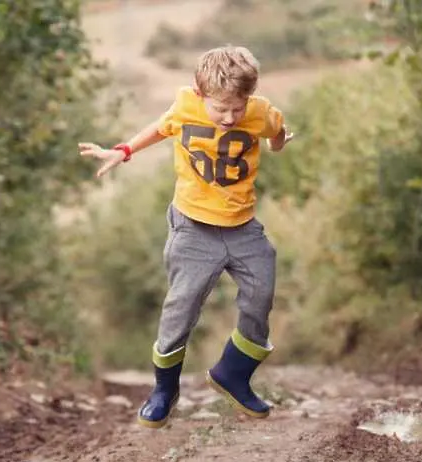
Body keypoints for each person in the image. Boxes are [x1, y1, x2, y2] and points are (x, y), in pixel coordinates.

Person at [78, 45, 294, 428]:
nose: (229, 117)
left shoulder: (259, 112)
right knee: (182, 307)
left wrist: (278, 143)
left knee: (261, 294)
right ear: (200, 93)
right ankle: (164, 390)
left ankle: (234, 373)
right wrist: (123, 150)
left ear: (249, 97)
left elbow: (276, 131)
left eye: (237, 108)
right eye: (220, 108)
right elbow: (161, 128)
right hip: (193, 228)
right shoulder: (185, 105)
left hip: (243, 228)